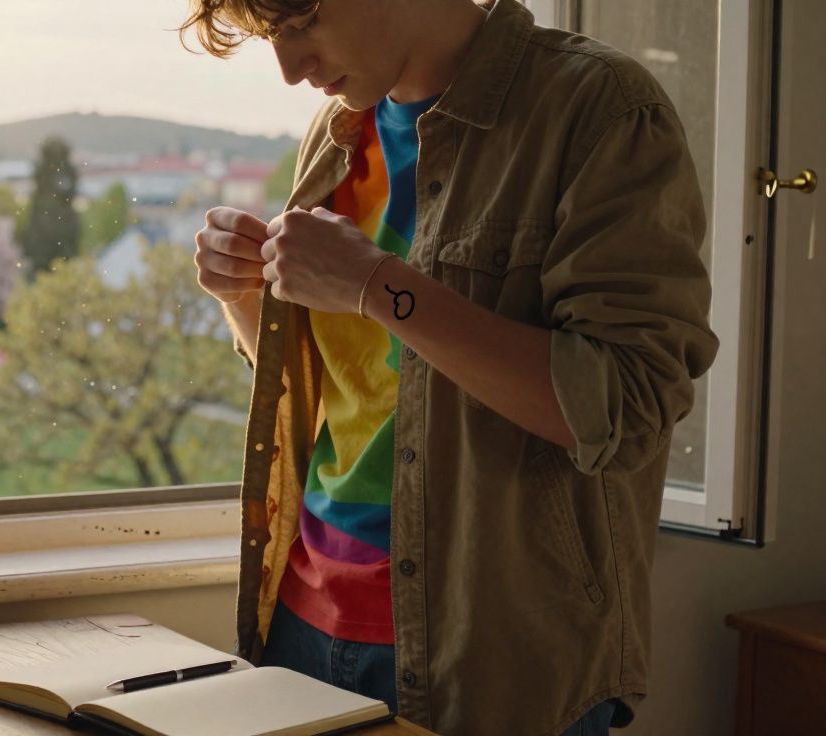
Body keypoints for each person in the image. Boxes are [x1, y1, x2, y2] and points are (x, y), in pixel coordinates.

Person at [181, 1, 719, 734]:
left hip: (495, 655)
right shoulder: (338, 127)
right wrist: (243, 297)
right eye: (274, 37)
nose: (289, 69)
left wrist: (378, 288)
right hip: (304, 624)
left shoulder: (598, 108)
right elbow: (353, 393)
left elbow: (624, 406)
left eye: (303, 23)